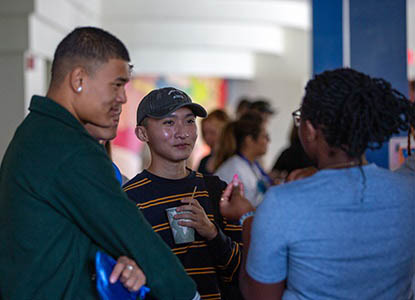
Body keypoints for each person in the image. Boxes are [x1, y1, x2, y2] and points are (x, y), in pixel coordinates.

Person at [0, 27, 199, 300]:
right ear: (79, 79)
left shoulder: (38, 132)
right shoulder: (68, 147)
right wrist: (187, 294)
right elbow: (132, 234)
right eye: (116, 85)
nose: (122, 98)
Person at [220, 68, 415, 300]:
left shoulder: (282, 203)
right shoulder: (407, 191)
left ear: (310, 130)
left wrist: (248, 220)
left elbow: (259, 295)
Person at [123, 87, 243, 300]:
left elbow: (242, 272)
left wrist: (212, 232)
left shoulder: (216, 191)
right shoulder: (128, 200)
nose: (183, 133)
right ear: (142, 133)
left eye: (189, 121)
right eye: (169, 122)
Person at [214, 112, 272, 207]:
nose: (268, 141)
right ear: (249, 140)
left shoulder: (252, 165)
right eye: (264, 136)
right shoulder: (234, 169)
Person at [197, 109, 230, 175]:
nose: (207, 137)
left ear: (225, 132)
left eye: (212, 133)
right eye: (204, 133)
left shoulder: (231, 160)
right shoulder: (204, 161)